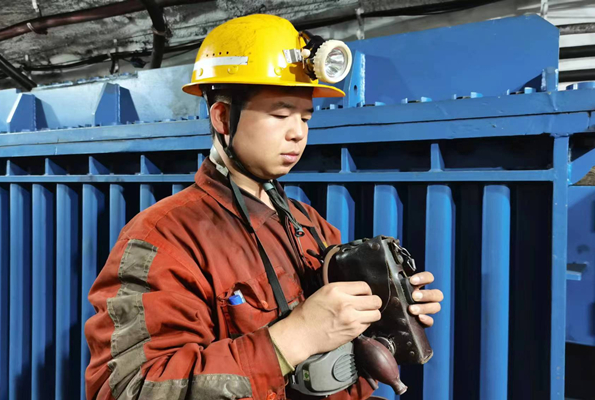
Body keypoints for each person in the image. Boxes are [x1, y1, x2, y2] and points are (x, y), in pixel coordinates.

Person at [84, 13, 443, 400]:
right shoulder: (163, 239)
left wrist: (387, 315)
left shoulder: (310, 225)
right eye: (280, 114)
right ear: (223, 117)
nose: (298, 132)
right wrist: (290, 339)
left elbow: (342, 363)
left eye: (305, 117)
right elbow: (129, 389)